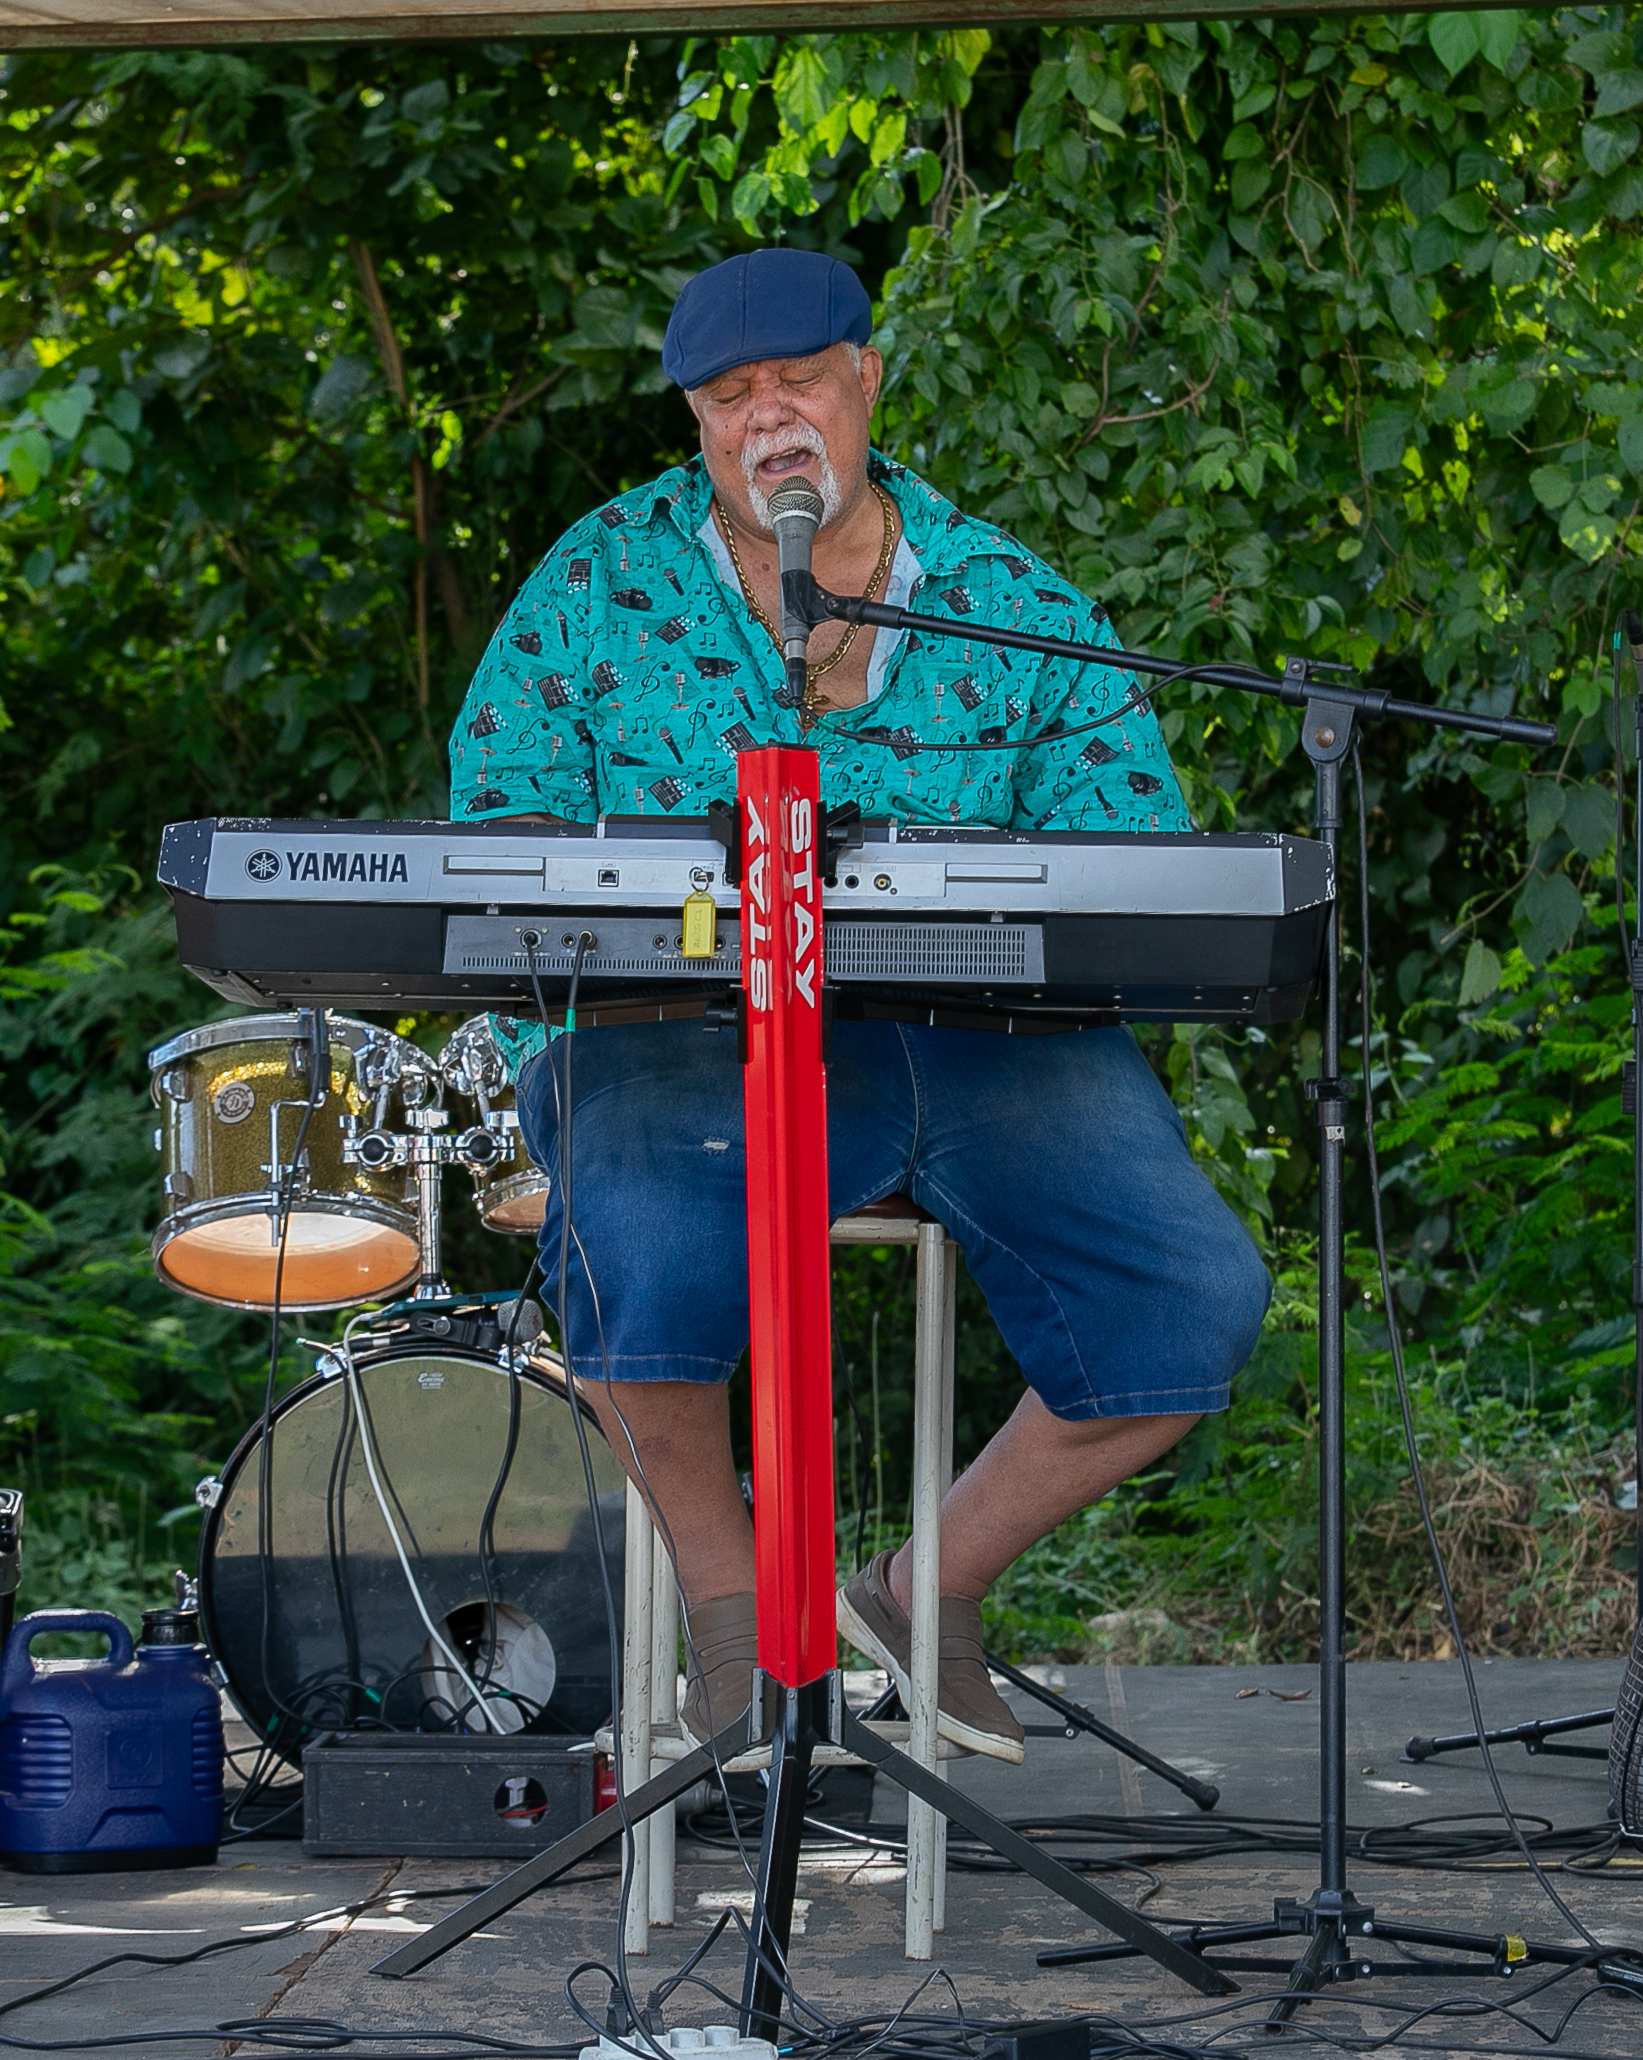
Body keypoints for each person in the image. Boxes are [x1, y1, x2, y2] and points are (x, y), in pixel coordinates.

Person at [447, 248, 1269, 1761]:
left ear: (868, 379)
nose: (770, 420)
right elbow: (500, 846)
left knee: (1192, 1296)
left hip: (980, 1045)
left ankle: (922, 1583)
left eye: (801, 381)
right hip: (677, 1045)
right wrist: (556, 1061)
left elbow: (1130, 859)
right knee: (631, 1256)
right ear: (697, 422)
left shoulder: (1011, 604)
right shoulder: (593, 587)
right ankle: (739, 1624)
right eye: (730, 397)